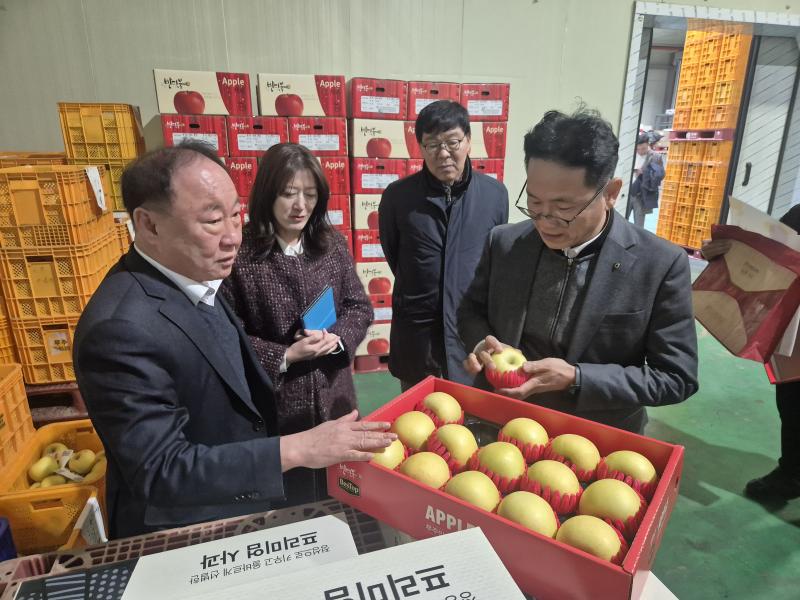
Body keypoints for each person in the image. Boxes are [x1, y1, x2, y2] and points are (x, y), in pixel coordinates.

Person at [73, 142, 396, 538]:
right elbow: (161, 470)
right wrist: (297, 447)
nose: (232, 237)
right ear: (150, 225)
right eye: (212, 221)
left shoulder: (198, 278)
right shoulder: (119, 330)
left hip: (244, 494)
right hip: (190, 530)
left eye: (234, 215)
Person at [458, 108, 698, 433]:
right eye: (534, 202)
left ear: (610, 193)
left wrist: (578, 377)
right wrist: (480, 345)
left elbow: (676, 377)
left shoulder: (659, 264)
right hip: (503, 421)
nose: (545, 221)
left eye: (564, 207)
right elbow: (470, 311)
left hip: (596, 435)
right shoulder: (505, 243)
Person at [220, 143, 372, 505]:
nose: (300, 205)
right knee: (290, 500)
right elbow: (225, 332)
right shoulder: (242, 255)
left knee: (344, 491)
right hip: (276, 407)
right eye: (288, 193)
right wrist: (285, 355)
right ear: (267, 194)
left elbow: (358, 306)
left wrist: (337, 339)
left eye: (310, 194)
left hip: (335, 395)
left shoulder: (331, 244)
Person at [379, 100, 508, 389]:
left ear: (469, 141)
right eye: (433, 145)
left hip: (470, 334)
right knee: (418, 410)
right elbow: (394, 254)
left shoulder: (494, 195)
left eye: (452, 142)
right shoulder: (398, 197)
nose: (443, 153)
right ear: (421, 148)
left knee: (473, 410)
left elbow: (495, 258)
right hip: (417, 333)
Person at [702, 204, 800, 503]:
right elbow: (767, 254)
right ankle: (792, 473)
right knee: (793, 403)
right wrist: (726, 254)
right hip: (795, 339)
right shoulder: (799, 215)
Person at [629, 132, 665, 228]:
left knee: (639, 225)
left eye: (643, 149)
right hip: (627, 192)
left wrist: (646, 173)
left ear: (648, 144)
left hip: (642, 195)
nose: (640, 151)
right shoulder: (630, 154)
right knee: (620, 220)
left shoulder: (656, 157)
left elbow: (660, 175)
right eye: (638, 149)